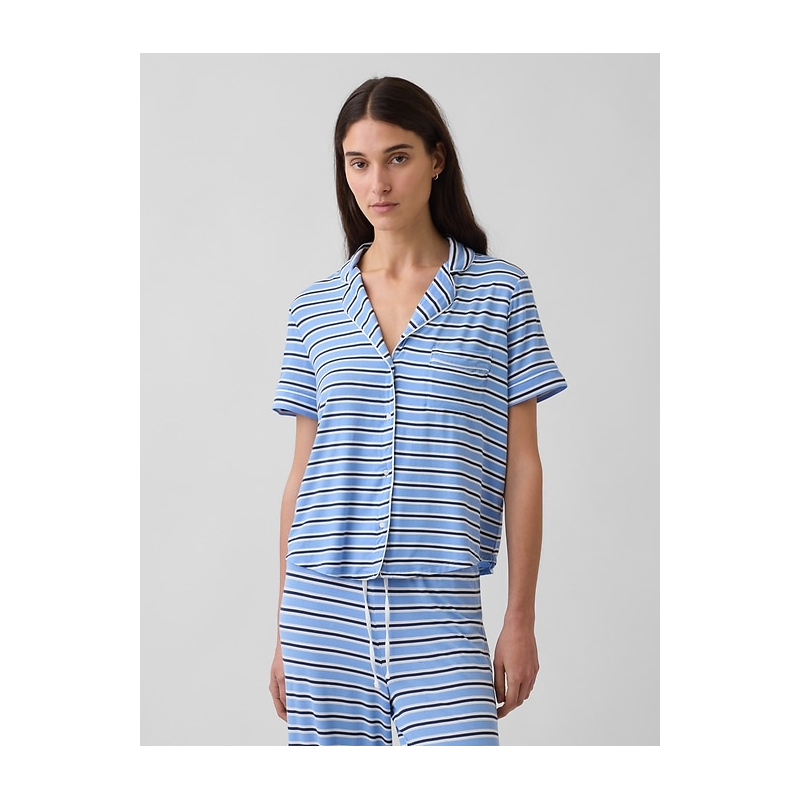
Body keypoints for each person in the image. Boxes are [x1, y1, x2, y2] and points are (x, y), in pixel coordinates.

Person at [269, 76, 567, 746]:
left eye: (397, 157)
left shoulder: (500, 294)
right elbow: (300, 476)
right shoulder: (314, 309)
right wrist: (283, 630)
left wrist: (519, 617)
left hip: (440, 607)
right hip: (321, 611)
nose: (377, 183)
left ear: (436, 158)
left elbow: (524, 465)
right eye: (358, 163)